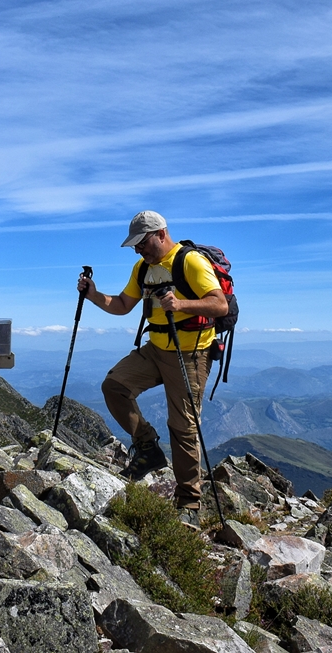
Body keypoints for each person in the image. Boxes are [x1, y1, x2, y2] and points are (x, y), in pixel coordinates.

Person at [78, 210, 228, 522]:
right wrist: (93, 295)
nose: (138, 249)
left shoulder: (190, 262)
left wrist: (181, 304)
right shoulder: (142, 267)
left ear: (161, 234)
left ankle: (189, 503)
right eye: (134, 245)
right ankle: (148, 448)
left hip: (190, 354)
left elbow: (219, 304)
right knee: (115, 386)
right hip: (156, 347)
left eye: (142, 242)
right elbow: (122, 305)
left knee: (183, 426)